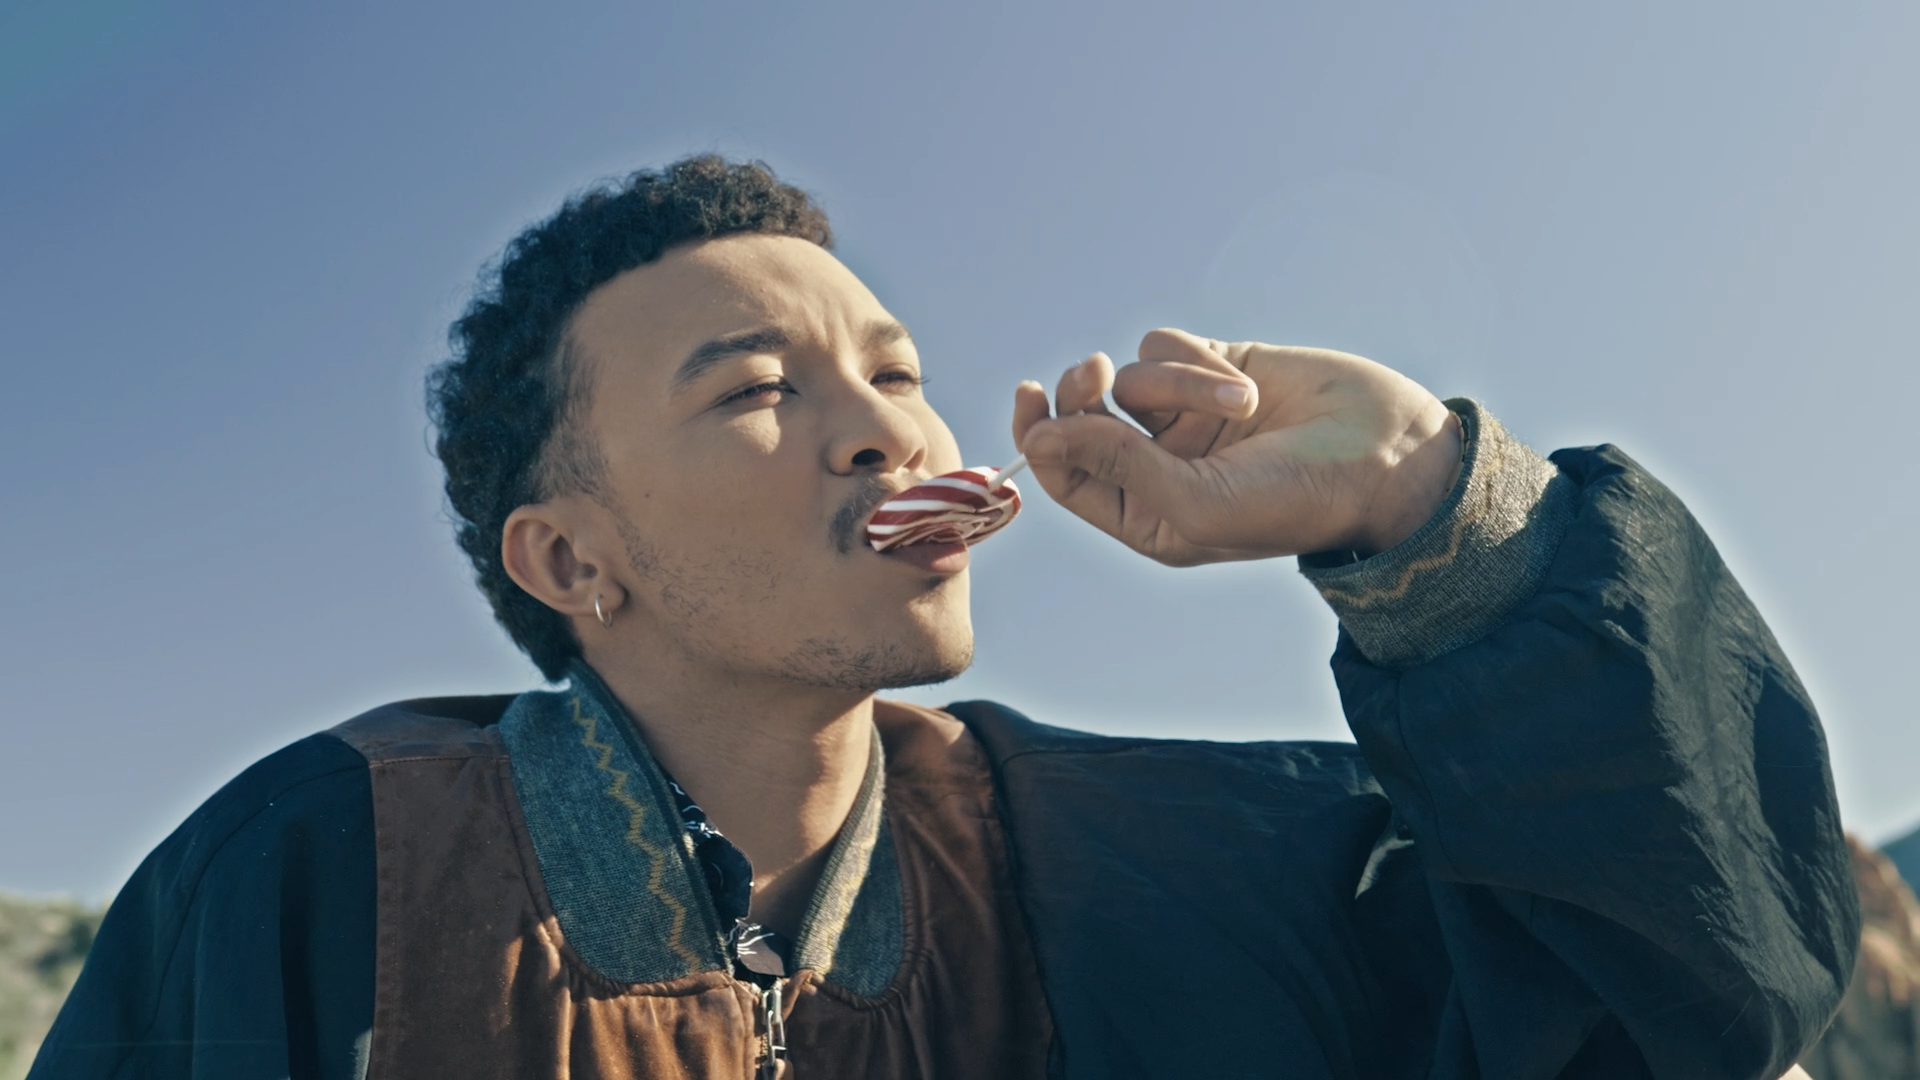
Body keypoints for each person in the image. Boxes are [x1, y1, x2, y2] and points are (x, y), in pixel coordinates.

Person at [30, 156, 1856, 1080]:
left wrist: (1425, 508)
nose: (889, 424)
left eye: (895, 370)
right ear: (573, 561)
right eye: (758, 390)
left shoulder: (1186, 871)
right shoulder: (304, 883)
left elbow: (1674, 1009)